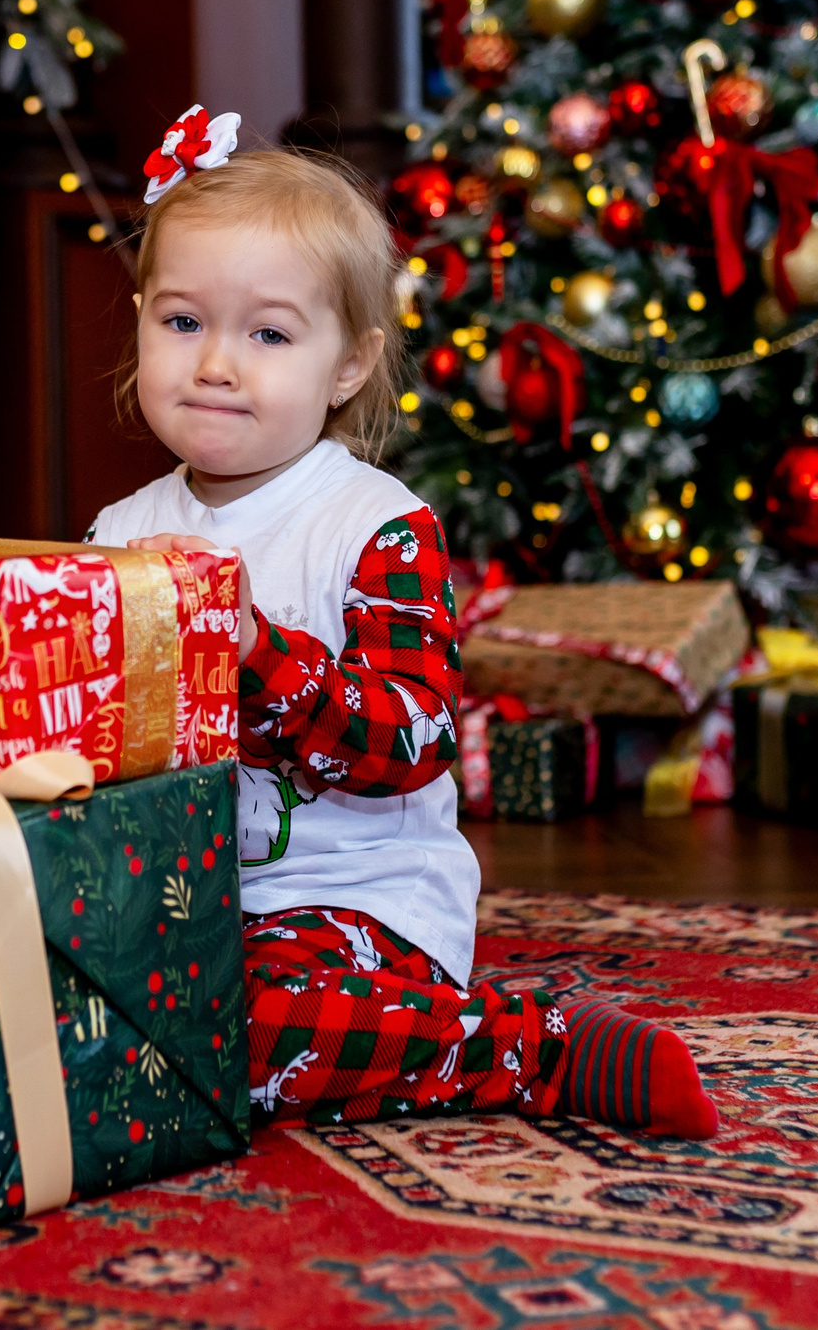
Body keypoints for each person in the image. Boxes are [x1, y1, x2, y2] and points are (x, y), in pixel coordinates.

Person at [85, 106, 718, 1137]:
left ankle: (530, 1045)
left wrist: (252, 647)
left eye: (268, 333)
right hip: (175, 898)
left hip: (351, 903)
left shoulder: (375, 525)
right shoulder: (121, 531)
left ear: (346, 364)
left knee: (241, 1022)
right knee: (40, 989)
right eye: (183, 320)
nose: (214, 363)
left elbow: (410, 740)